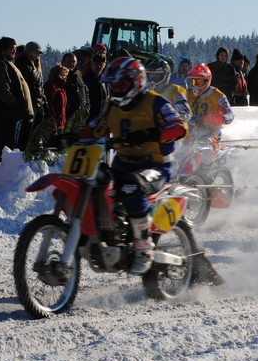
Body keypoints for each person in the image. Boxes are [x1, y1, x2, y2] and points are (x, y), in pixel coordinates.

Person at [73, 57, 187, 274]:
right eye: (113, 85)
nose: (116, 89)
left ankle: (143, 246)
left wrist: (153, 133)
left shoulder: (156, 102)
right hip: (123, 164)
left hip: (155, 166)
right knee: (97, 183)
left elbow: (179, 127)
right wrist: (69, 136)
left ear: (136, 81)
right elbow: (97, 127)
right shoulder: (112, 105)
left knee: (132, 187)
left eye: (121, 85)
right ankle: (103, 234)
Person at [0, 36, 33, 152]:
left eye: (15, 48)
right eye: (12, 48)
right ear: (4, 49)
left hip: (12, 113)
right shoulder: (0, 65)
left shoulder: (7, 63)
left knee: (12, 144)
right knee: (8, 146)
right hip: (7, 113)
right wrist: (15, 104)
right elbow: (3, 90)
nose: (14, 51)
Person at [184, 63, 234, 155]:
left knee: (204, 152)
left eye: (198, 82)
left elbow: (230, 114)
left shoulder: (217, 95)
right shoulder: (188, 94)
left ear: (207, 80)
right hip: (192, 130)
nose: (194, 85)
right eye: (192, 82)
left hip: (211, 131)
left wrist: (220, 118)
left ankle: (205, 168)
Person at [15, 41, 46, 150]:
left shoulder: (35, 65)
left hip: (38, 102)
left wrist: (43, 100)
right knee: (26, 131)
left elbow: (40, 85)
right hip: (30, 102)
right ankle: (23, 152)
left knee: (37, 130)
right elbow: (25, 85)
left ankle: (32, 151)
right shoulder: (23, 65)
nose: (38, 55)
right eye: (36, 52)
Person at [61, 52, 89, 127]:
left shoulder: (78, 77)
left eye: (74, 62)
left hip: (80, 118)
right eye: (69, 61)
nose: (71, 64)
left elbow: (86, 92)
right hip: (67, 118)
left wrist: (86, 109)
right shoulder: (60, 77)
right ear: (63, 62)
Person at [43, 64, 70, 133]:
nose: (65, 78)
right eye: (64, 75)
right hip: (53, 126)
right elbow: (49, 105)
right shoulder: (50, 86)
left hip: (61, 124)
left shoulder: (60, 87)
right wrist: (52, 122)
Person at [83, 52, 109, 123]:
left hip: (102, 118)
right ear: (92, 64)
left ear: (104, 65)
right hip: (89, 118)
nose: (98, 67)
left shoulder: (105, 80)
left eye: (101, 65)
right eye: (96, 64)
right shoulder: (85, 79)